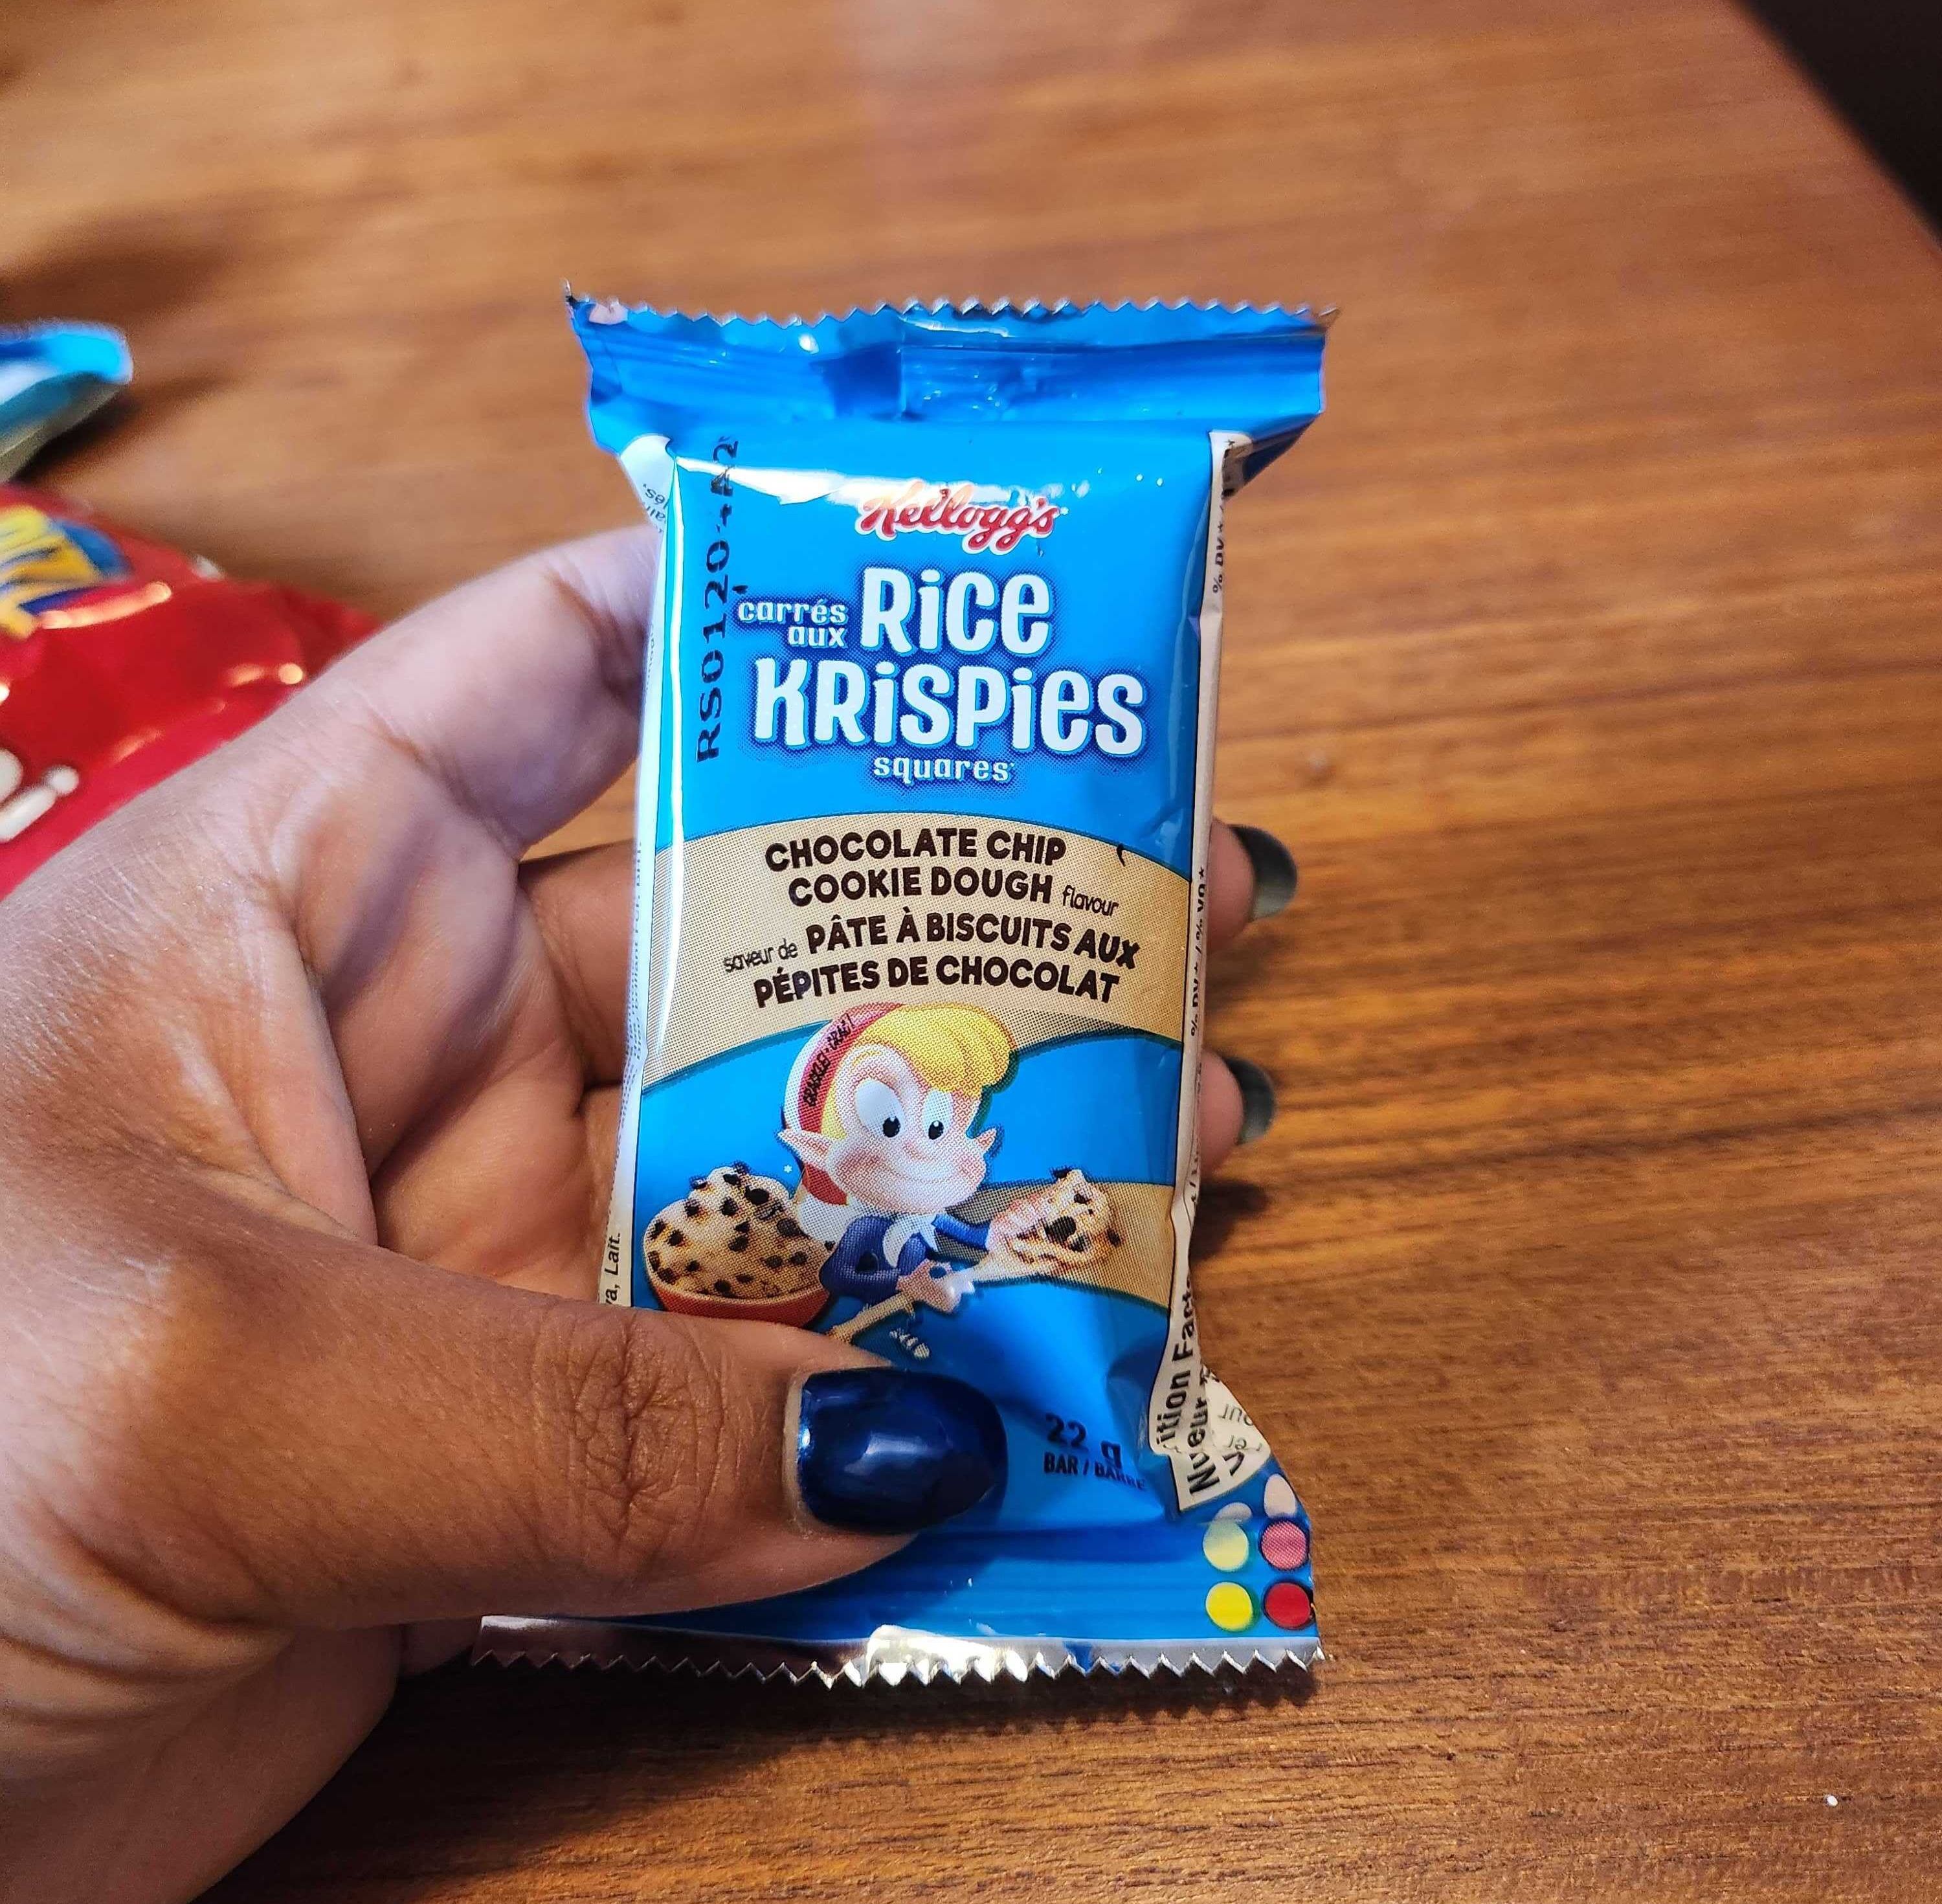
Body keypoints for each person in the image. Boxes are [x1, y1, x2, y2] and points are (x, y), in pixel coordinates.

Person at [0, 527, 1292, 1901]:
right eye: (892, 1114)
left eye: (943, 1122)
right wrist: (650, 1448)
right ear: (816, 1128)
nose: (930, 1141)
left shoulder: (948, 1204)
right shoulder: (797, 1210)